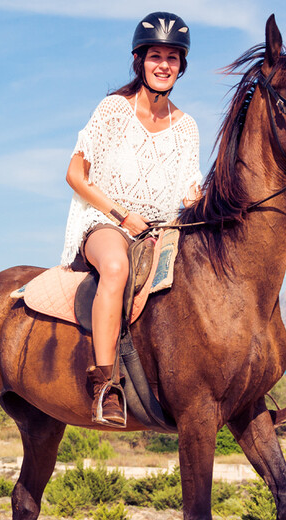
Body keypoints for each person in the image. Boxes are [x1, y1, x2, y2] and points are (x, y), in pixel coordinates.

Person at [61, 11, 201, 426]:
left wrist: (206, 198)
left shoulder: (188, 126)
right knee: (117, 266)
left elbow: (187, 189)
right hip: (106, 222)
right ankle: (106, 385)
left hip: (162, 230)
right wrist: (122, 214)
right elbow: (74, 175)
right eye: (155, 56)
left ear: (181, 65)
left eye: (172, 58)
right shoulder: (113, 111)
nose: (163, 65)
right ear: (140, 60)